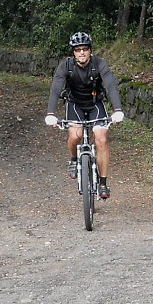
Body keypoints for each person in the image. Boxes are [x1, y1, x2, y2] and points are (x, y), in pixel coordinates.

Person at [45, 31, 125, 199]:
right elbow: (55, 89)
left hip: (95, 104)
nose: (81, 52)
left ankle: (102, 183)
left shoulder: (99, 64)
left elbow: (111, 86)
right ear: (73, 52)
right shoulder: (65, 66)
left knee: (101, 138)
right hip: (75, 105)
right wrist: (50, 113)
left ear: (90, 50)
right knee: (76, 135)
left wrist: (117, 110)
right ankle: (74, 159)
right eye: (77, 49)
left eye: (85, 49)